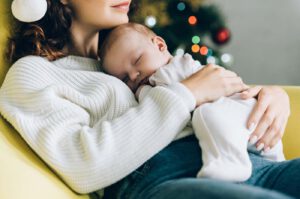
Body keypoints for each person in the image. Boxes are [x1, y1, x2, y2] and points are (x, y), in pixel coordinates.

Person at [0, 0, 298, 198]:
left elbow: (216, 93)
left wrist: (269, 97)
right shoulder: (35, 72)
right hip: (171, 180)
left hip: (256, 164)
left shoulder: (133, 50)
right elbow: (83, 165)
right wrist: (187, 94)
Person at [99, 22, 285, 182]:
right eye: (124, 78)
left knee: (207, 114)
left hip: (246, 115)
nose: (134, 75)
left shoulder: (176, 67)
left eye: (138, 60)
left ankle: (230, 162)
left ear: (160, 45)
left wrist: (142, 90)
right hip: (236, 127)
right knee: (208, 116)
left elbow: (166, 99)